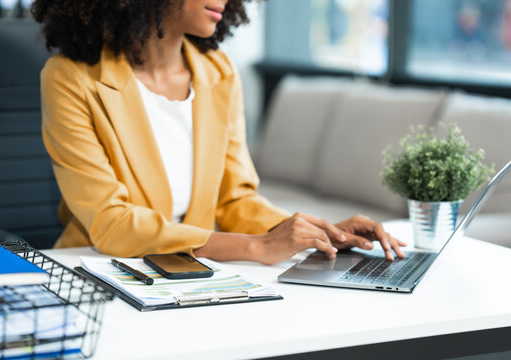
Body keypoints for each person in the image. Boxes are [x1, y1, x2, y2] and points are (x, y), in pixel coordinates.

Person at [31, 0, 405, 265]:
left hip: (194, 270)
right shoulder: (71, 78)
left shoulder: (219, 72)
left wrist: (315, 234)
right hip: (102, 266)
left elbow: (234, 200)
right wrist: (255, 247)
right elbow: (111, 222)